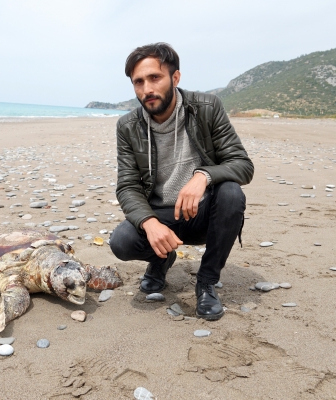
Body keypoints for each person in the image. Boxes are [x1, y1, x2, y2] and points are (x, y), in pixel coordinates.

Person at [109, 43, 254, 321]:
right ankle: (160, 259)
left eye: (155, 78)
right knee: (122, 242)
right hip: (162, 215)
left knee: (231, 193)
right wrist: (149, 223)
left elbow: (243, 165)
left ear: (175, 78)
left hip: (203, 213)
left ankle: (207, 282)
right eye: (139, 82)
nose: (147, 89)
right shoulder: (127, 126)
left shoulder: (207, 108)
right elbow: (127, 186)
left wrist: (203, 176)